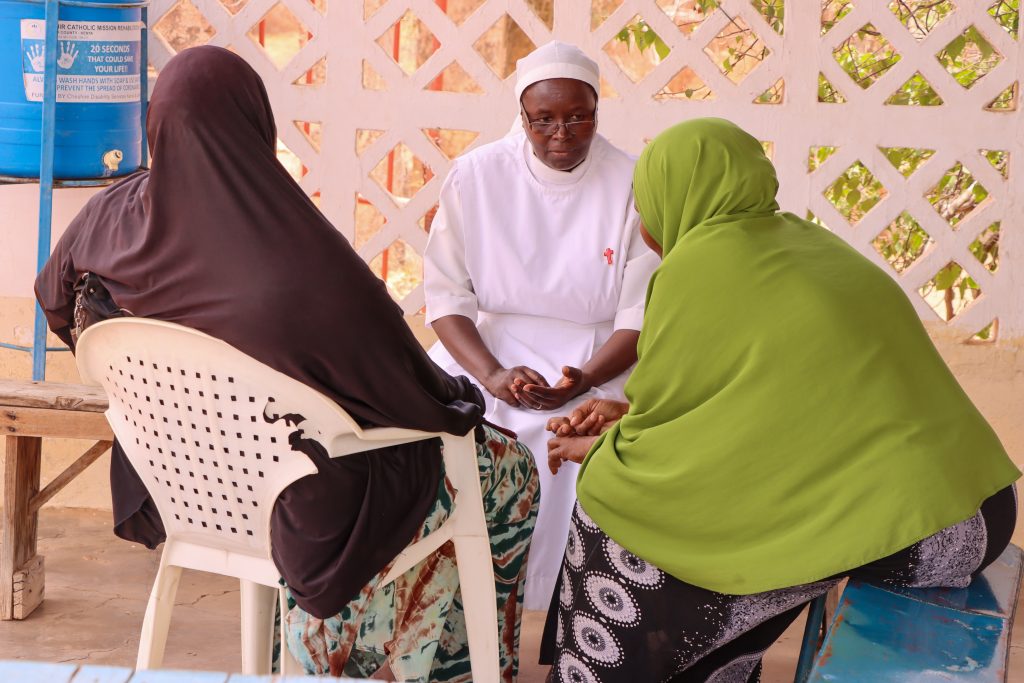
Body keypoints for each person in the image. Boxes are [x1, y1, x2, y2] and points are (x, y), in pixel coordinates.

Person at [34, 46, 539, 682]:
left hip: (190, 484)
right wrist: (462, 397)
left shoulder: (108, 217)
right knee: (505, 466)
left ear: (155, 122)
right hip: (301, 499)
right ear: (256, 123)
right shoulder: (296, 263)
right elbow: (406, 388)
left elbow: (58, 303)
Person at [543, 118, 1021, 682]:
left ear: (675, 196)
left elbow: (672, 441)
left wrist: (604, 449)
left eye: (643, 201)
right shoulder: (808, 241)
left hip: (919, 531)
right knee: (729, 529)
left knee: (615, 509)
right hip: (979, 514)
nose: (641, 220)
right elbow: (773, 411)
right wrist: (629, 418)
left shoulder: (697, 263)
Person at [424, 41, 658, 610]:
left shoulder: (633, 180)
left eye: (579, 116)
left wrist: (581, 381)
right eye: (544, 119)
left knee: (577, 440)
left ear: (597, 111)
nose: (563, 132)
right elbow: (448, 296)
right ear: (522, 116)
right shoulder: (476, 175)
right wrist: (494, 374)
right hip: (489, 349)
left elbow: (636, 317)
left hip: (599, 355)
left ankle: (567, 609)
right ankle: (451, 606)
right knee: (436, 433)